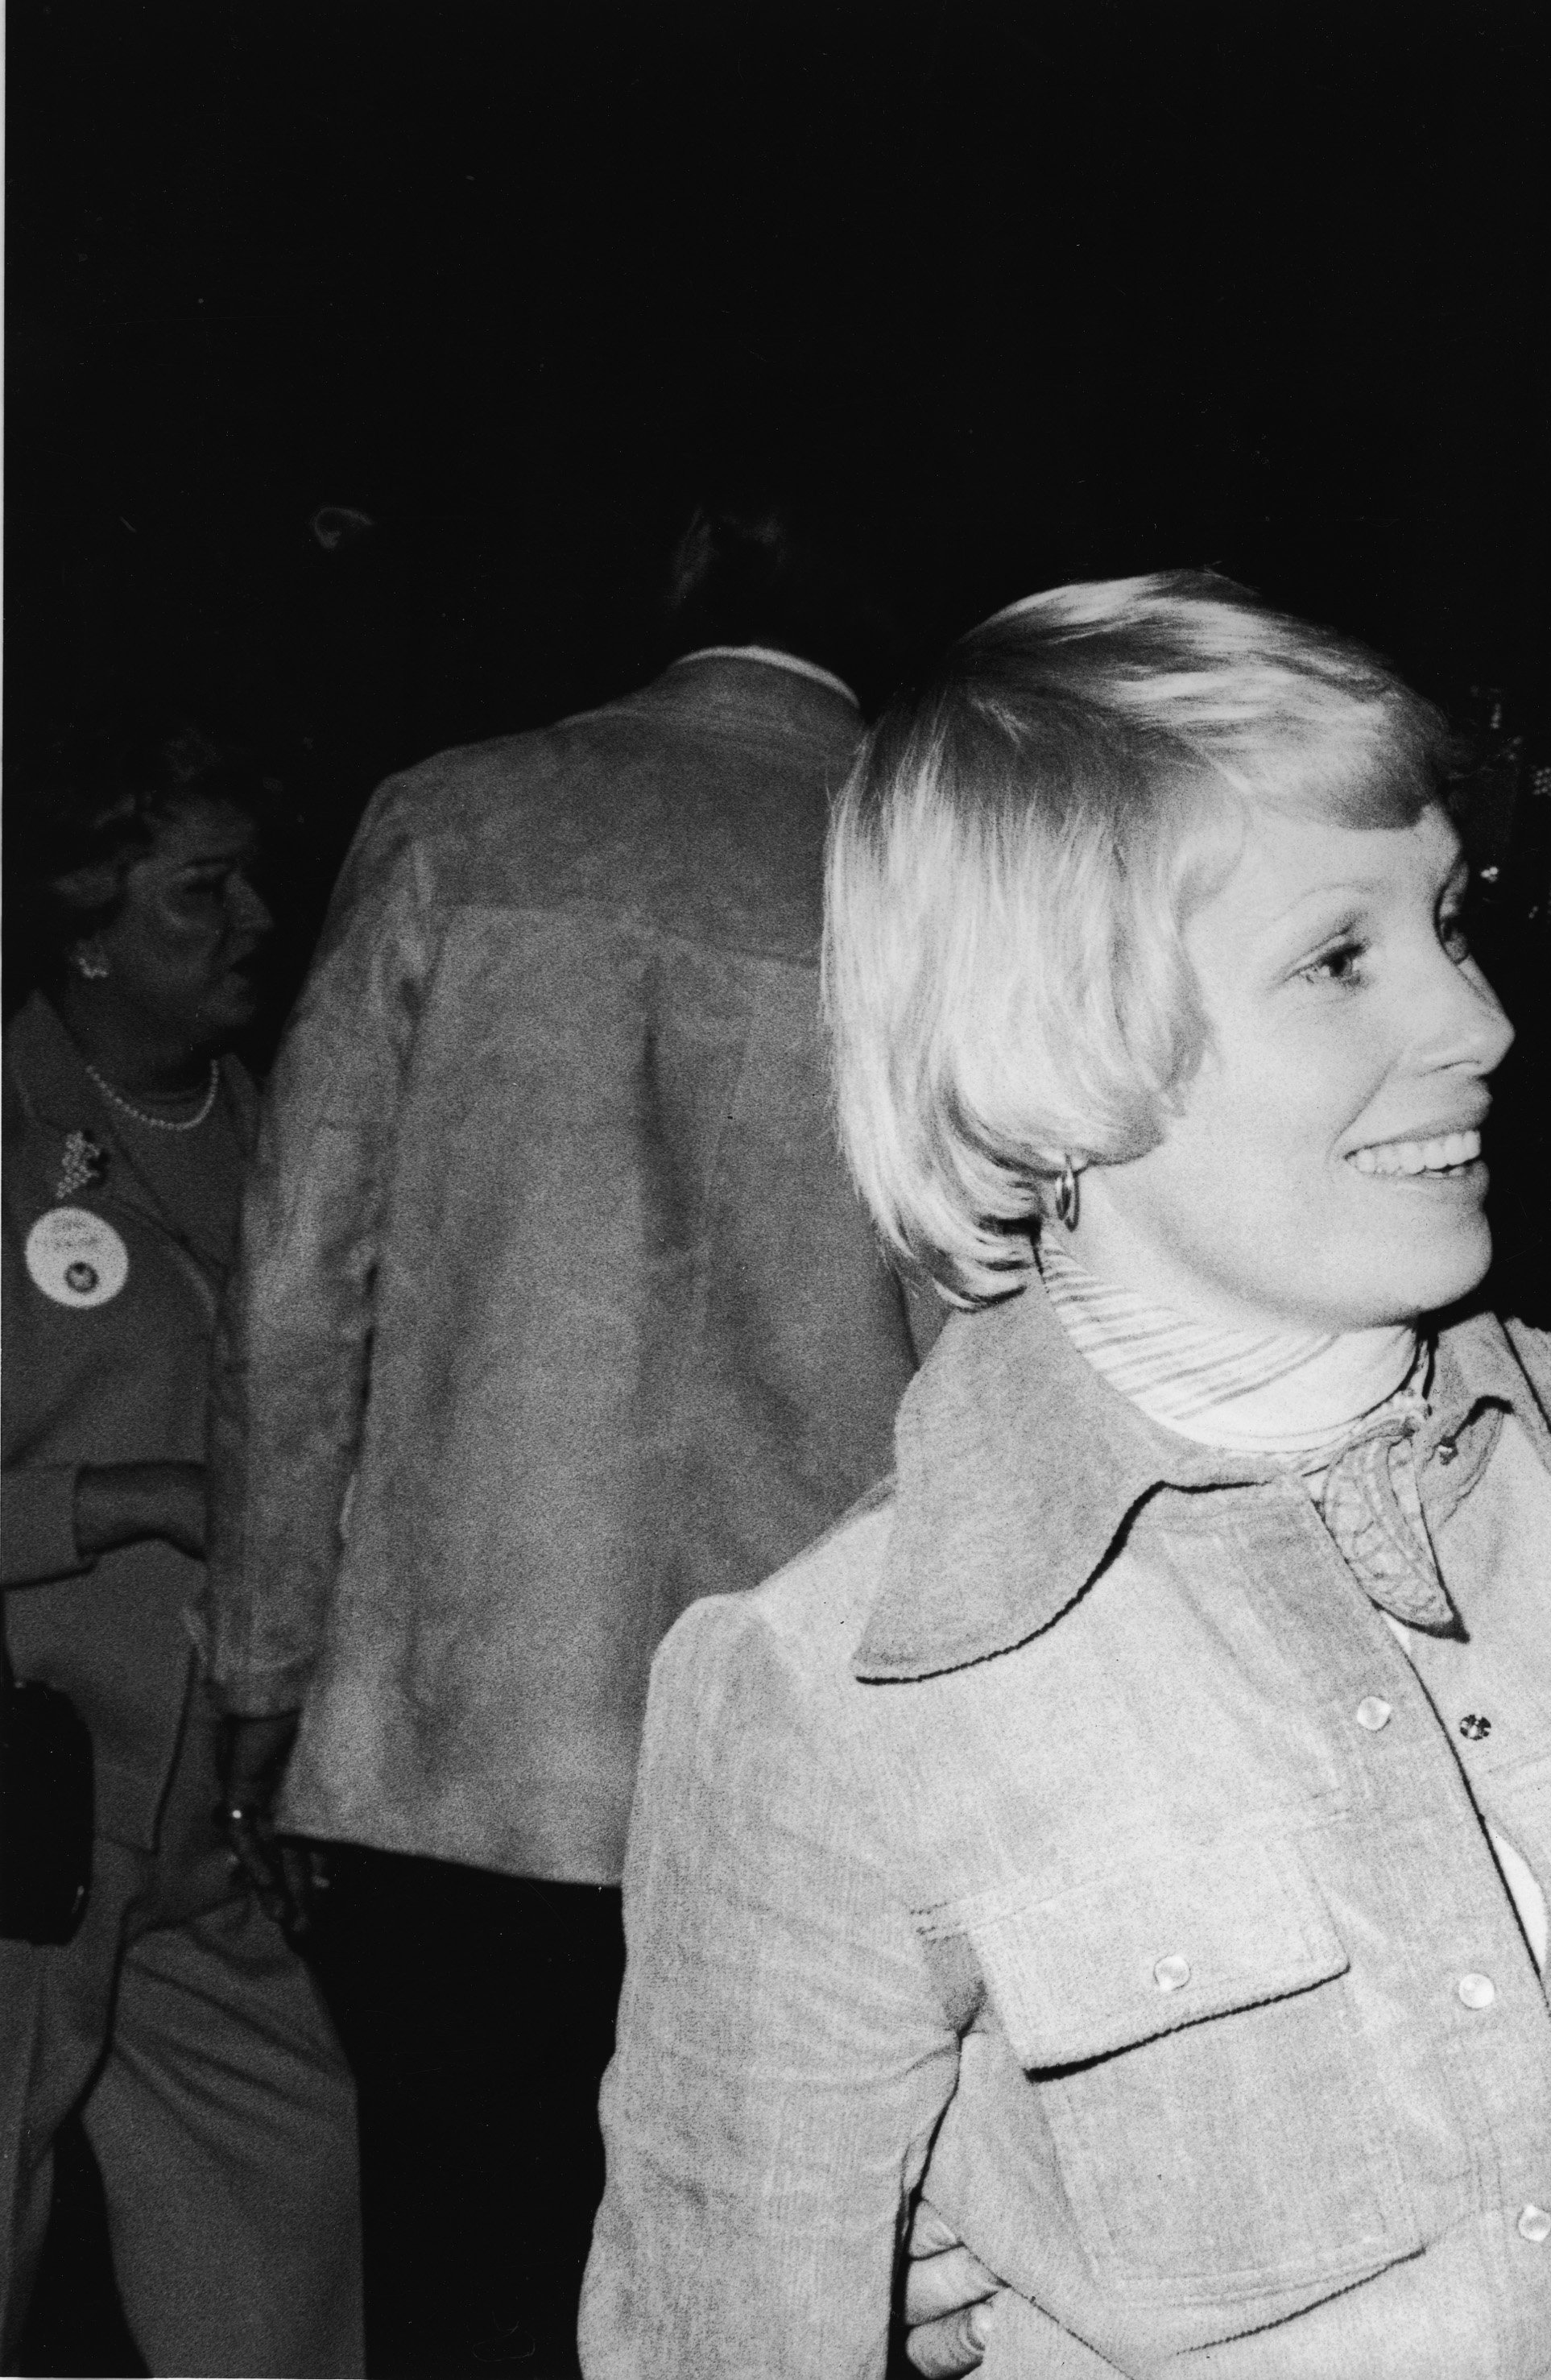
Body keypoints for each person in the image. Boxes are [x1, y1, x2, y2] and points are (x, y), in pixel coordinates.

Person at [581, 574, 1551, 2378]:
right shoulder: (830, 1691)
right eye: (1338, 957)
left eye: (1449, 922)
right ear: (1055, 1054)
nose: (1479, 1024)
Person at [207, 490, 929, 2372]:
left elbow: (301, 1285)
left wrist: (266, 1656)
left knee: (459, 2275)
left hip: (457, 1740)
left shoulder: (459, 817)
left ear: (679, 574)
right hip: (805, 1769)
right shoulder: (934, 871)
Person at [3, 736, 362, 2374]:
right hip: (28, 1791)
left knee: (278, 2185)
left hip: (212, 1796)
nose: (256, 919)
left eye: (251, 878)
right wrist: (114, 1497)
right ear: (85, 925)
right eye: (198, 890)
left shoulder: (287, 1127)